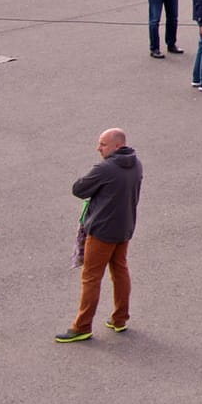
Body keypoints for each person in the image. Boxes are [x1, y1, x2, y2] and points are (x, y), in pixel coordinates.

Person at [57, 128, 142, 343]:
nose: (98, 148)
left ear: (117, 146)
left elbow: (79, 189)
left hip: (102, 231)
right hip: (125, 227)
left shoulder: (106, 169)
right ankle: (120, 319)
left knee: (91, 277)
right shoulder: (136, 164)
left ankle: (82, 326)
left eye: (103, 144)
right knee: (120, 270)